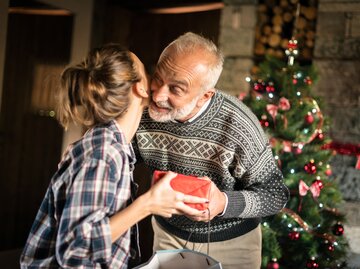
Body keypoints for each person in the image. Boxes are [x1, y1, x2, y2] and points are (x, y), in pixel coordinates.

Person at [20, 44, 208, 269]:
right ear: (140, 87)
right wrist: (148, 205)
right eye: (147, 72)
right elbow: (75, 250)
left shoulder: (114, 147)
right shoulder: (104, 154)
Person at [133, 32, 290, 269]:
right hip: (168, 236)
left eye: (176, 89)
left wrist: (223, 203)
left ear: (204, 95)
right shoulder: (143, 110)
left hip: (233, 244)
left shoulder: (239, 125)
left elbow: (275, 194)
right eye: (158, 78)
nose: (158, 94)